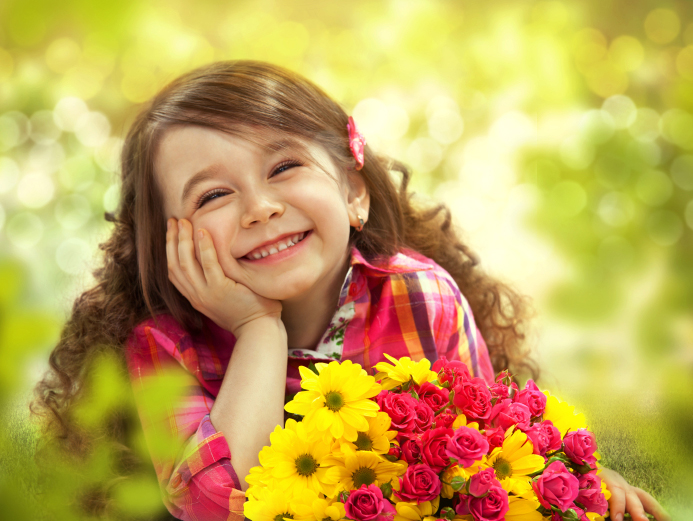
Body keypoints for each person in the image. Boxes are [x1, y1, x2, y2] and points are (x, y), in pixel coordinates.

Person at [32, 61, 669, 521]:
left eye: (284, 167)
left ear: (354, 192)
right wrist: (258, 331)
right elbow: (217, 506)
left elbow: (492, 464)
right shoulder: (163, 350)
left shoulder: (421, 298)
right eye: (214, 195)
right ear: (168, 244)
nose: (259, 208)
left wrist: (578, 481)